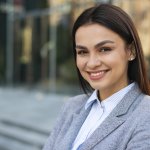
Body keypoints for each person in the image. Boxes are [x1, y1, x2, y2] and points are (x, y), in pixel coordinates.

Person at [43, 4, 150, 150]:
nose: (92, 63)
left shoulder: (145, 114)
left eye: (104, 49)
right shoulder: (71, 107)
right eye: (82, 52)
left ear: (130, 51)